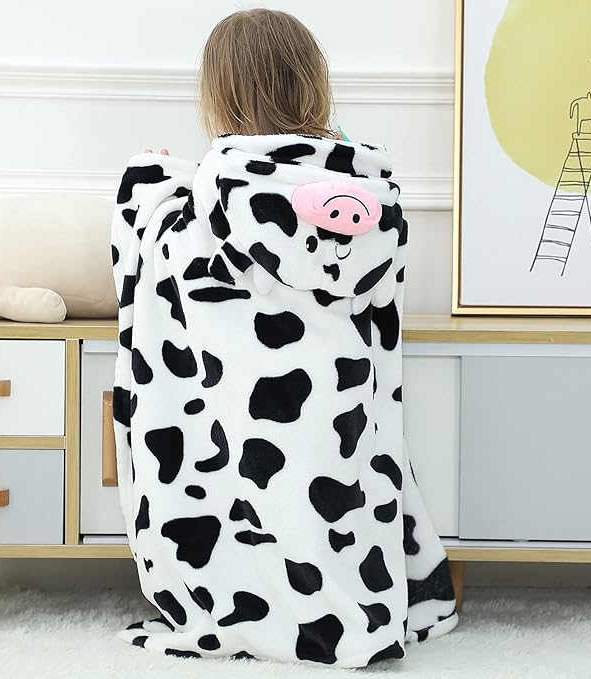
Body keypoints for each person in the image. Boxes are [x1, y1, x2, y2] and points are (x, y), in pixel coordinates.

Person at [111, 8, 457, 667]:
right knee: (333, 509)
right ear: (313, 82)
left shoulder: (214, 192)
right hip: (341, 407)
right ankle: (349, 609)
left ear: (219, 92)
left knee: (252, 501)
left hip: (251, 415)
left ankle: (266, 616)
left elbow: (172, 268)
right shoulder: (367, 189)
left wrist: (146, 181)